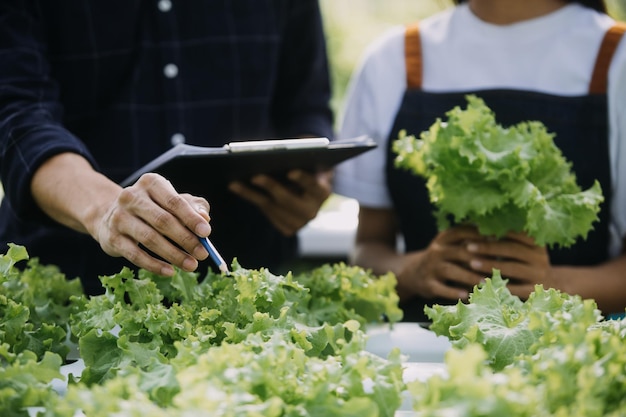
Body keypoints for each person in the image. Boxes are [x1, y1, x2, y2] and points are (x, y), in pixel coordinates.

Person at [0, 0, 334, 296]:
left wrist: (309, 180)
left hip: (249, 283)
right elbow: (18, 117)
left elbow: (306, 107)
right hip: (69, 284)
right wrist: (106, 209)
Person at [334, 0, 626, 321]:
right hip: (422, 354)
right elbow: (367, 249)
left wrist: (556, 284)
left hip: (572, 355)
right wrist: (412, 271)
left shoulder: (617, 55)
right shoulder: (394, 58)